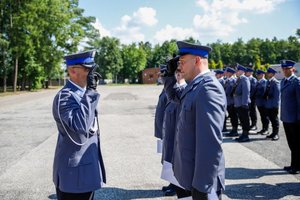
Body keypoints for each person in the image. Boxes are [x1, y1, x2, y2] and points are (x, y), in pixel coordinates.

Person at [163, 41, 226, 200]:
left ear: (197, 60)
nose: (180, 67)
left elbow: (210, 143)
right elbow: (174, 96)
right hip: (189, 176)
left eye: (182, 62)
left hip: (201, 183)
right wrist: (169, 75)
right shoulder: (195, 86)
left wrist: (202, 186)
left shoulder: (208, 88)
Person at [52, 50, 106, 200]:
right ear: (73, 70)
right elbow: (80, 127)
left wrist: (88, 93)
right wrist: (91, 92)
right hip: (74, 176)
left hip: (85, 171)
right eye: (87, 69)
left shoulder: (81, 93)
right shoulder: (65, 96)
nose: (91, 73)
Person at [161, 70, 190, 198]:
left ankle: (175, 185)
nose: (178, 75)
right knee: (170, 163)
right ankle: (173, 184)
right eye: (176, 73)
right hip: (170, 134)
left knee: (177, 166)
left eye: (180, 72)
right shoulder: (175, 89)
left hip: (177, 137)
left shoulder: (185, 91)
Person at [280, 60, 300, 174]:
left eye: (287, 68)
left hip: (294, 119)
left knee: (296, 143)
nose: (285, 70)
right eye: (283, 69)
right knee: (291, 143)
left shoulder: (296, 82)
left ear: (292, 69)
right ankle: (293, 164)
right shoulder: (283, 81)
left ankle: (297, 166)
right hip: (286, 117)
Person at [154, 64, 169, 191]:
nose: (161, 77)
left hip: (168, 130)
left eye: (163, 74)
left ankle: (175, 185)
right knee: (166, 158)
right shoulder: (165, 88)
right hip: (163, 130)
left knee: (171, 159)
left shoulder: (171, 89)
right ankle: (172, 183)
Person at [233, 64, 251, 142]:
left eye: (237, 70)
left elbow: (246, 92)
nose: (236, 72)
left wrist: (244, 103)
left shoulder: (244, 79)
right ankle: (243, 134)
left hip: (243, 103)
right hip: (239, 103)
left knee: (245, 120)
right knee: (242, 120)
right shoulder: (239, 79)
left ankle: (246, 135)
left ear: (241, 71)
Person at [264, 67, 280, 141]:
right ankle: (273, 133)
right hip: (268, 104)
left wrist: (275, 106)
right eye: (267, 72)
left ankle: (276, 133)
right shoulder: (268, 81)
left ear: (272, 74)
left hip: (273, 105)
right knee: (271, 119)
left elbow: (277, 95)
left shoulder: (275, 82)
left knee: (274, 119)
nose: (267, 74)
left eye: (269, 73)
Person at [224, 67, 239, 137]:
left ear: (230, 73)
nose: (225, 73)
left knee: (234, 116)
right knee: (232, 116)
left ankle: (235, 130)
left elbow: (230, 91)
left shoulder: (233, 80)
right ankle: (233, 129)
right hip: (229, 101)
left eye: (227, 72)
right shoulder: (228, 80)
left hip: (232, 101)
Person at [255, 69, 269, 135]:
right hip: (259, 102)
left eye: (258, 74)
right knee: (262, 116)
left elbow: (263, 92)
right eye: (257, 74)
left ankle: (266, 129)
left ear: (262, 75)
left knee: (265, 116)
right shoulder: (258, 82)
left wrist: (255, 94)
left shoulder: (264, 82)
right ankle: (263, 129)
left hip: (263, 102)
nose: (257, 76)